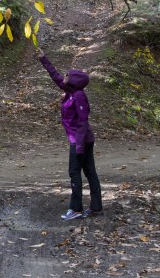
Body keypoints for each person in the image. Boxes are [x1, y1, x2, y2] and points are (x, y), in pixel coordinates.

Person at [36, 46, 103, 220]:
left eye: (68, 75)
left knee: (76, 172)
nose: (64, 76)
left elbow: (83, 121)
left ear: (74, 80)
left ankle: (76, 209)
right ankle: (95, 207)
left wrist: (78, 146)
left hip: (81, 140)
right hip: (80, 140)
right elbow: (56, 76)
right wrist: (43, 58)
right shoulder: (70, 91)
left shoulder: (79, 95)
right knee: (88, 172)